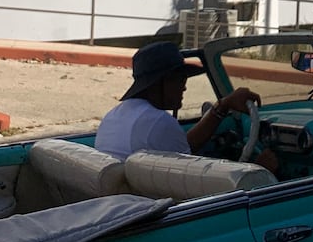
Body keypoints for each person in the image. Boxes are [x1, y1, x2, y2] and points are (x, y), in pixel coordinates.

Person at [95, 39, 268, 165]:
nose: (184, 87)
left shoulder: (114, 115)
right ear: (160, 82)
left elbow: (183, 148)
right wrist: (258, 168)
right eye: (180, 78)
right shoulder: (158, 121)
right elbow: (191, 177)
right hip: (150, 208)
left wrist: (222, 106)